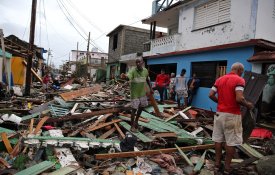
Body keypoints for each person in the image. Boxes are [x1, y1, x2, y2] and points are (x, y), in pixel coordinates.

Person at [208, 62, 254, 174]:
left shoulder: (219, 79)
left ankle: (217, 165)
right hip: (232, 115)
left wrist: (221, 102)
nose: (241, 74)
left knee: (218, 140)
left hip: (219, 114)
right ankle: (227, 168)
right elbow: (239, 99)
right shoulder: (239, 80)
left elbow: (210, 95)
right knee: (231, 142)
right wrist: (248, 105)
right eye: (241, 72)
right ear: (239, 70)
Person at [121, 58, 152, 133]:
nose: (138, 64)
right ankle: (132, 126)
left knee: (142, 106)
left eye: (139, 62)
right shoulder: (133, 71)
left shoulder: (145, 70)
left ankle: (136, 121)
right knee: (134, 109)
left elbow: (147, 79)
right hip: (134, 94)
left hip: (142, 93)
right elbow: (128, 76)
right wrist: (125, 77)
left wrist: (151, 88)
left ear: (143, 62)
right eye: (136, 62)